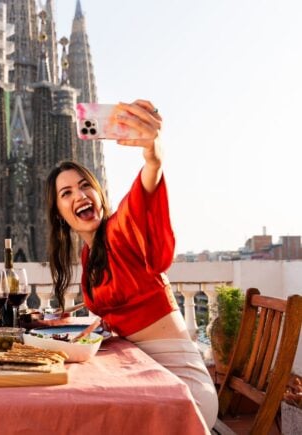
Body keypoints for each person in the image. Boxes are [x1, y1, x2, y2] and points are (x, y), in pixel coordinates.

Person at [45, 99, 218, 430]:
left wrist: (153, 154)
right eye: (66, 193)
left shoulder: (120, 233)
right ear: (58, 212)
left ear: (98, 193)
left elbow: (145, 188)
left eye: (84, 186)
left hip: (180, 387)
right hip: (143, 375)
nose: (79, 196)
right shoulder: (89, 255)